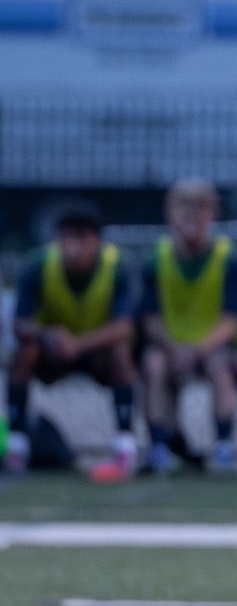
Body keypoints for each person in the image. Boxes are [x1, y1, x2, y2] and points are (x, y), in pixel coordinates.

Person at [6, 202, 140, 481]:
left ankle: (124, 445)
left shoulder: (117, 267)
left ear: (96, 241)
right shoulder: (40, 265)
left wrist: (78, 344)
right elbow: (20, 323)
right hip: (53, 351)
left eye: (82, 237)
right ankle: (16, 443)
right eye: (67, 236)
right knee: (25, 350)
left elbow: (124, 327)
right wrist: (48, 335)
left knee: (121, 350)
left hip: (95, 352)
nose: (73, 245)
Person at [139, 179, 237, 474]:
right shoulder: (157, 258)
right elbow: (150, 320)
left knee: (221, 368)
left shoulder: (228, 258)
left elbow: (230, 321)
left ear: (213, 213)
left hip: (210, 346)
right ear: (169, 213)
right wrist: (174, 348)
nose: (192, 215)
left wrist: (199, 350)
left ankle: (223, 446)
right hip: (170, 345)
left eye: (201, 207)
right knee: (154, 364)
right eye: (184, 207)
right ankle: (160, 445)